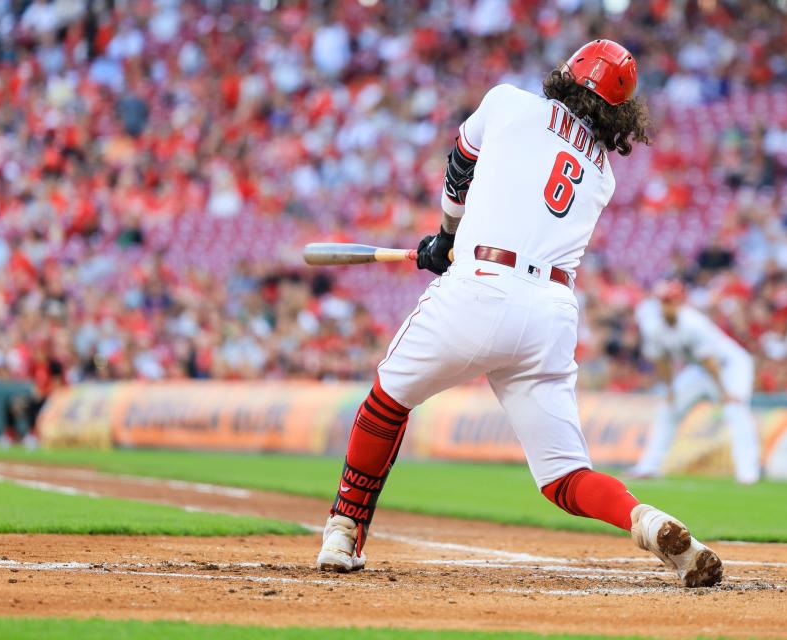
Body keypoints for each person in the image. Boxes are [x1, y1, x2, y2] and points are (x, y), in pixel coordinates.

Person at [315, 40, 723, 588]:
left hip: (479, 287)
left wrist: (445, 237)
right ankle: (645, 520)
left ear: (567, 73)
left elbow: (462, 162)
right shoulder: (602, 172)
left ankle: (344, 532)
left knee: (386, 403)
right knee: (564, 477)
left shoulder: (509, 101)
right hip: (549, 315)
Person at [632, 281, 761, 484]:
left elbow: (710, 361)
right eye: (664, 302)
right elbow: (661, 360)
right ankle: (648, 466)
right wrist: (670, 389)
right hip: (700, 370)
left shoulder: (693, 323)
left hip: (730, 366)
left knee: (735, 411)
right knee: (669, 408)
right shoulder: (652, 325)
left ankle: (748, 473)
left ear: (680, 303)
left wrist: (725, 392)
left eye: (671, 301)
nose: (668, 306)